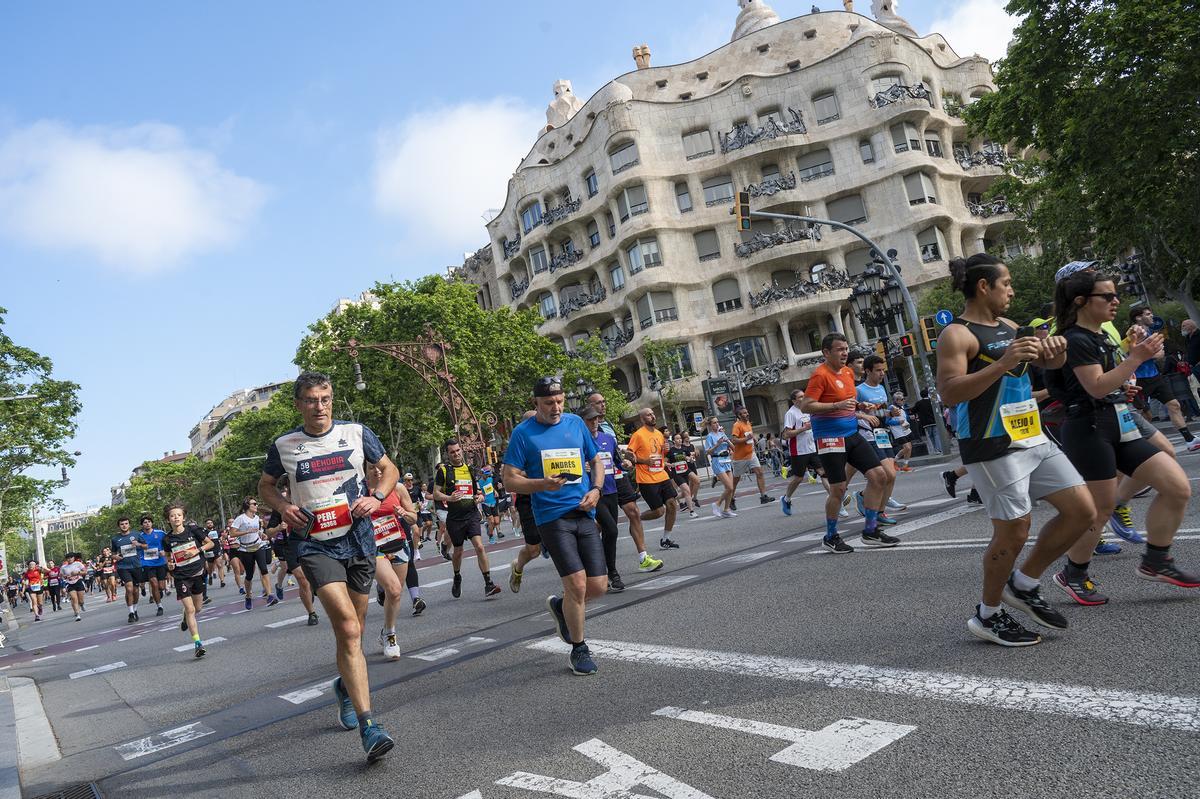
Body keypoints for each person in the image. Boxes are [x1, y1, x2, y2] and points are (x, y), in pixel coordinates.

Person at [937, 254, 1094, 646]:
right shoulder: (957, 335)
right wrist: (1004, 362)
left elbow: (1050, 364)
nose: (1012, 290)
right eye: (1005, 283)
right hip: (992, 444)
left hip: (1032, 435)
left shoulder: (1009, 326)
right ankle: (988, 614)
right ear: (983, 286)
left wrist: (1053, 351)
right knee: (1014, 531)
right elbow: (950, 391)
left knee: (1083, 512)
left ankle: (1024, 583)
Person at [258, 371, 397, 762]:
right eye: (311, 400)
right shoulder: (285, 445)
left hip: (359, 539)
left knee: (355, 628)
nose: (320, 406)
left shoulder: (356, 433)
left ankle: (345, 688)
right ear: (298, 404)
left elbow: (389, 469)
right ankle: (371, 727)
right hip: (315, 544)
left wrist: (378, 495)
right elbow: (266, 486)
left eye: (326, 399)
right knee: (349, 628)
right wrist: (283, 507)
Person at [1050, 270, 1197, 601]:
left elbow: (1108, 383)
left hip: (1117, 422)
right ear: (1081, 301)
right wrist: (1135, 358)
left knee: (1177, 487)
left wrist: (1127, 378)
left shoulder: (1099, 335)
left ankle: (1156, 561)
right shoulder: (1075, 339)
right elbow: (1095, 385)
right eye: (1107, 296)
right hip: (1088, 429)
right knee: (1098, 511)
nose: (1116, 301)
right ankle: (1073, 573)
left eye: (1115, 295)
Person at [502, 377, 606, 676]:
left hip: (584, 511)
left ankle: (562, 608)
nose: (556, 407)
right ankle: (579, 648)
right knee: (577, 584)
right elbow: (510, 479)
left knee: (597, 587)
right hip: (551, 517)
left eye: (559, 401)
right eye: (549, 403)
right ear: (536, 403)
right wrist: (541, 484)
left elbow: (596, 461)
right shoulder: (523, 434)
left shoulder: (575, 424)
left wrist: (596, 490)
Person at [800, 334, 899, 553]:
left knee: (879, 476)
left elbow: (848, 403)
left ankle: (871, 531)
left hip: (852, 433)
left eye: (846, 348)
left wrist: (860, 407)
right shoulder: (820, 375)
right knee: (838, 489)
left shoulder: (846, 372)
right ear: (826, 353)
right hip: (830, 438)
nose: (845, 353)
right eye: (839, 349)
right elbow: (806, 406)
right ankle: (831, 536)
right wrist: (837, 405)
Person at [585, 393, 663, 574]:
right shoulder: (584, 429)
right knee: (601, 526)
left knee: (634, 512)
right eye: (598, 403)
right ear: (589, 405)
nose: (603, 405)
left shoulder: (608, 425)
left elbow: (614, 452)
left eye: (604, 402)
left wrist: (625, 461)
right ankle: (590, 560)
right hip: (598, 481)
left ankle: (643, 558)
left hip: (617, 476)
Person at [433, 440, 502, 599]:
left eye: (458, 450)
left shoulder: (470, 469)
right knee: (458, 551)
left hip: (471, 514)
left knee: (479, 546)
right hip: (455, 518)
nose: (456, 454)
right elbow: (436, 494)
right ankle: (457, 577)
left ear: (461, 451)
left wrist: (479, 496)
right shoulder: (444, 471)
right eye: (452, 452)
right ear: (448, 454)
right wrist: (449, 498)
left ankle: (488, 583)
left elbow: (478, 491)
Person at [1125, 306, 1199, 450]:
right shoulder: (1134, 332)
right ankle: (1134, 447)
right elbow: (1130, 354)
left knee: (1174, 405)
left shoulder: (1151, 332)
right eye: (1148, 314)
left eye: (1151, 313)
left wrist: (1151, 354)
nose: (1152, 316)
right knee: (1145, 415)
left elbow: (1161, 353)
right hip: (1139, 379)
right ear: (1138, 318)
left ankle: (1189, 440)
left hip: (1155, 376)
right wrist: (1151, 354)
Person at [369, 466, 419, 660]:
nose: (378, 471)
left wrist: (403, 513)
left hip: (398, 543)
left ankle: (387, 628)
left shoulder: (398, 488)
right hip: (374, 548)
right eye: (372, 467)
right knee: (394, 589)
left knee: (395, 594)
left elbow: (413, 516)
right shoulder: (359, 490)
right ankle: (391, 637)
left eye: (381, 467)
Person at [582, 405, 628, 592]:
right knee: (612, 530)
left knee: (609, 533)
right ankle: (613, 573)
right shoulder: (579, 442)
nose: (594, 422)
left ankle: (600, 572)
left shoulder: (608, 439)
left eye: (596, 419)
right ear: (582, 422)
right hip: (594, 493)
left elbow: (618, 461)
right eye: (590, 420)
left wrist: (626, 463)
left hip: (611, 490)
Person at [163, 503, 214, 658]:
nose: (176, 517)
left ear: (183, 517)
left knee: (197, 608)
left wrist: (196, 551)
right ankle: (198, 643)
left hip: (197, 573)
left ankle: (185, 616)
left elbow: (211, 543)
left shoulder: (193, 530)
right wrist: (170, 565)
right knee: (191, 609)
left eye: (178, 515)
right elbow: (168, 559)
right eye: (172, 515)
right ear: (168, 520)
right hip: (181, 577)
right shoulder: (167, 539)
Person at [266, 480, 319, 625]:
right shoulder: (280, 510)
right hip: (289, 547)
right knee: (303, 580)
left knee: (311, 579)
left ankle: (312, 588)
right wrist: (278, 528)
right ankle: (312, 613)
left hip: (311, 544)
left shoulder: (309, 502)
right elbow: (268, 532)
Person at [628, 407, 680, 550]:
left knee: (672, 504)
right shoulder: (638, 435)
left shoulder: (658, 434)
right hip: (646, 479)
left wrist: (665, 450)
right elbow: (628, 455)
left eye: (652, 414)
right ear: (642, 419)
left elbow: (660, 454)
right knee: (658, 512)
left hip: (661, 475)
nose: (652, 416)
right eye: (648, 415)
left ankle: (666, 539)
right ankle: (636, 519)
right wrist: (645, 461)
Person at [780, 389, 828, 516]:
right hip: (799, 450)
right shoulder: (791, 414)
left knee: (823, 472)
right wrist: (803, 428)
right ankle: (786, 499)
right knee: (798, 478)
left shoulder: (808, 409)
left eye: (804, 395)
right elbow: (786, 434)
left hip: (812, 448)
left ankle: (837, 500)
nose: (803, 398)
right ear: (794, 400)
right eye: (800, 397)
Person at [229, 498, 279, 609]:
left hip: (258, 546)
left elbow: (257, 531)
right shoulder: (240, 519)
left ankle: (270, 595)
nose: (256, 505)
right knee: (249, 575)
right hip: (245, 549)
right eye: (254, 504)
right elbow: (232, 533)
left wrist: (262, 534)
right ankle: (248, 596)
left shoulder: (257, 518)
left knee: (264, 569)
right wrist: (246, 531)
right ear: (247, 505)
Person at [729, 406, 775, 505]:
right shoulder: (737, 425)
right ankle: (731, 499)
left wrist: (753, 438)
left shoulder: (748, 424)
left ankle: (763, 496)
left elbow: (748, 436)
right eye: (744, 413)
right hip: (740, 457)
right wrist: (746, 439)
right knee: (736, 480)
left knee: (760, 473)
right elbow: (734, 440)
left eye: (747, 412)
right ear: (739, 415)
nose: (747, 414)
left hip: (751, 453)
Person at [111, 517, 144, 623]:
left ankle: (135, 609)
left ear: (129, 525)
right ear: (119, 526)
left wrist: (138, 544)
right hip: (123, 567)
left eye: (126, 523)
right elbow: (113, 553)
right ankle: (130, 613)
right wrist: (115, 557)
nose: (124, 525)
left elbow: (146, 546)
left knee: (135, 590)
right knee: (129, 589)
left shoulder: (136, 534)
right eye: (122, 524)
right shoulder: (115, 539)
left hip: (136, 566)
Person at [135, 515, 169, 616]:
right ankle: (159, 606)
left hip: (160, 562)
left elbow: (169, 543)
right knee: (153, 583)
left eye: (149, 521)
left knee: (161, 586)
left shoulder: (160, 533)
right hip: (146, 563)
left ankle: (159, 591)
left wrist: (165, 551)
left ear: (152, 523)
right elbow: (135, 549)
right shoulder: (139, 536)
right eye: (145, 522)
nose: (147, 524)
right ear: (142, 525)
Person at [704, 417, 737, 517]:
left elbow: (734, 448)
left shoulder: (722, 433)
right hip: (717, 461)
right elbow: (708, 452)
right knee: (730, 487)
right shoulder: (709, 436)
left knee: (730, 488)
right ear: (710, 425)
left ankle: (726, 509)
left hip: (726, 460)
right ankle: (717, 504)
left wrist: (727, 440)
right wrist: (717, 444)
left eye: (717, 422)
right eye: (714, 423)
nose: (717, 424)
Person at [666, 432, 699, 518]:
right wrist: (670, 465)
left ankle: (678, 497)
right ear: (673, 441)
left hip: (686, 470)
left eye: (680, 438)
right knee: (687, 491)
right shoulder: (671, 451)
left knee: (697, 481)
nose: (679, 440)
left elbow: (688, 457)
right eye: (677, 438)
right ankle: (691, 511)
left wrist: (691, 459)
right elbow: (664, 462)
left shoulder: (684, 448)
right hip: (677, 473)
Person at [479, 465, 503, 543]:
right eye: (486, 474)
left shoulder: (490, 479)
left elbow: (491, 487)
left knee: (496, 522)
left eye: (488, 474)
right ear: (482, 473)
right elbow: (478, 491)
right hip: (485, 503)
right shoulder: (479, 482)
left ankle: (488, 527)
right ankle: (491, 537)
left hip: (493, 502)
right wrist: (481, 494)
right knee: (491, 521)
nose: (487, 475)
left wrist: (495, 491)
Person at [61, 553, 87, 621]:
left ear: (74, 558)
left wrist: (77, 573)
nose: (69, 559)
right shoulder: (63, 567)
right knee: (74, 598)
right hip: (69, 583)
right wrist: (65, 576)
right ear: (66, 559)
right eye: (68, 558)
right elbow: (61, 575)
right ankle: (77, 614)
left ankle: (81, 604)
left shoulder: (78, 564)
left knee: (80, 600)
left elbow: (85, 572)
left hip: (78, 581)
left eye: (71, 557)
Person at [914, 389, 940, 454]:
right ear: (927, 394)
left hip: (925, 422)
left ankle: (936, 449)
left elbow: (913, 410)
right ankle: (938, 449)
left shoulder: (918, 403)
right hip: (934, 420)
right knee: (936, 434)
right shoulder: (932, 401)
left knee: (931, 435)